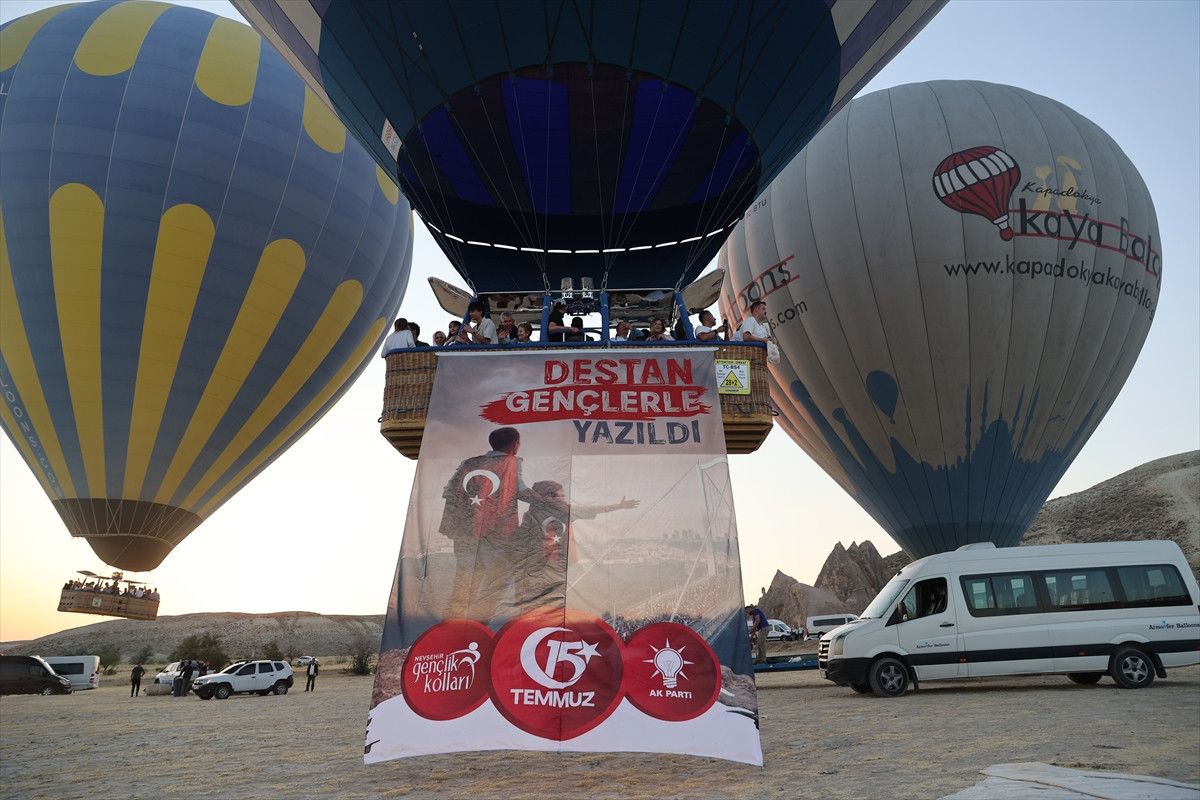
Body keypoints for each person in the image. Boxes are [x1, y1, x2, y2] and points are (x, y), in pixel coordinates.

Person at [440, 427, 540, 622]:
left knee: (465, 580)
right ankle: (479, 623)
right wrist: (546, 501)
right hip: (497, 533)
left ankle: (451, 625)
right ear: (515, 444)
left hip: (465, 531)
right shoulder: (511, 463)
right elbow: (521, 491)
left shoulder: (469, 463)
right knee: (497, 579)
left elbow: (449, 491)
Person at [511, 481, 639, 614]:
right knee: (535, 610)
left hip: (553, 572)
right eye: (561, 496)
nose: (564, 499)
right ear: (549, 497)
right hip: (536, 573)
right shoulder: (533, 516)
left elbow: (592, 509)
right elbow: (519, 542)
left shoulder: (563, 511)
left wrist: (618, 506)